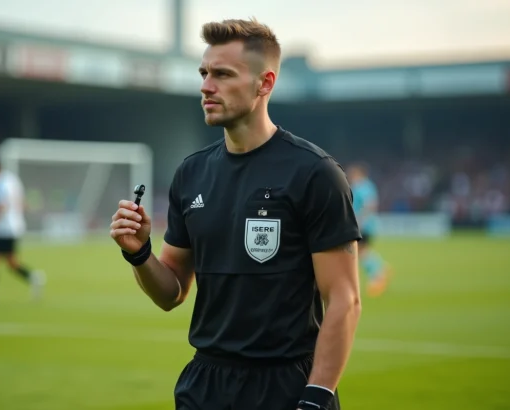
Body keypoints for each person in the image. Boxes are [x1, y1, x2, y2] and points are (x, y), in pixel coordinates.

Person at [110, 18, 362, 410]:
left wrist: (317, 396)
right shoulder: (191, 173)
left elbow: (344, 300)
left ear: (265, 84)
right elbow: (171, 292)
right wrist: (139, 253)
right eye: (204, 73)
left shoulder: (315, 173)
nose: (206, 86)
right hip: (205, 384)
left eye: (223, 74)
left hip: (285, 385)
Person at [0, 161, 45, 308]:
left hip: (5, 229)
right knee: (11, 262)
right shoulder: (13, 180)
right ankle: (33, 277)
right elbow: (21, 202)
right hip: (15, 226)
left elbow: (2, 206)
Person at [347, 163, 392, 297]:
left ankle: (378, 272)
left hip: (363, 225)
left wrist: (361, 221)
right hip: (363, 224)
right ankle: (379, 270)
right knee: (360, 251)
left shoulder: (362, 186)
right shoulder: (365, 186)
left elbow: (369, 205)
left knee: (360, 251)